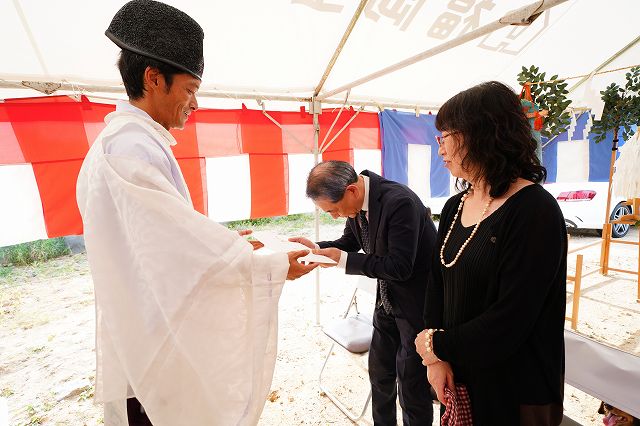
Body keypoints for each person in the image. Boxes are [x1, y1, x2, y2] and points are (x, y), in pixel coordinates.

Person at [76, 1, 317, 425]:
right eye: (189, 89)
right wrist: (273, 264)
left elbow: (164, 238)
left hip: (146, 336)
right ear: (154, 79)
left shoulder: (124, 141)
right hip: (155, 350)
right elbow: (173, 254)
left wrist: (239, 244)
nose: (194, 103)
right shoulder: (130, 148)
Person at [415, 81, 566, 425]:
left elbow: (512, 318)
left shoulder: (533, 210)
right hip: (459, 374)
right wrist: (435, 359)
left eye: (446, 136)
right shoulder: (455, 205)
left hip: (514, 387)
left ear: (482, 134)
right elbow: (437, 281)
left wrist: (436, 345)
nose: (440, 149)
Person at [291, 161, 437, 425]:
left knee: (412, 386)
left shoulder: (399, 202)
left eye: (333, 210)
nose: (334, 216)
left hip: (416, 305)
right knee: (380, 376)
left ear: (351, 191)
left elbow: (400, 267)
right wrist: (316, 248)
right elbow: (349, 242)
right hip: (386, 301)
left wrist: (344, 261)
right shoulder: (358, 205)